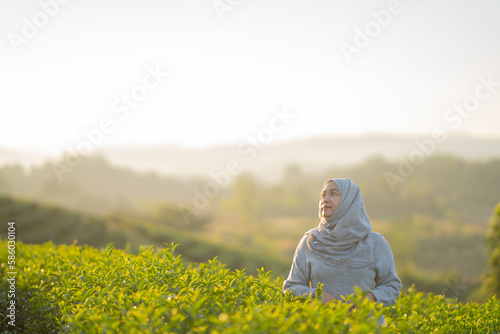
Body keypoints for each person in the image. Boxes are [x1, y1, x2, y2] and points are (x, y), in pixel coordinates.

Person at [283, 178, 402, 326]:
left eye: (333, 194)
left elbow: (392, 285)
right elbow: (291, 287)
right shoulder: (309, 242)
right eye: (323, 195)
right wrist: (317, 295)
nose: (325, 199)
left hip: (368, 327)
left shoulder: (375, 243)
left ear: (349, 201)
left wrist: (367, 299)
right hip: (323, 327)